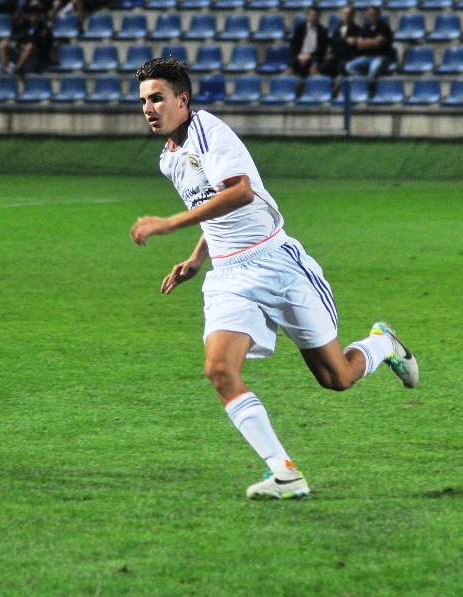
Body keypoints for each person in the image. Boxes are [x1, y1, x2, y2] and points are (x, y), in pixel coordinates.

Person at [129, 58, 419, 500]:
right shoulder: (170, 158)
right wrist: (196, 258)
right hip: (229, 276)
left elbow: (240, 191)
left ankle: (382, 343)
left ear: (182, 100)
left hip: (277, 265)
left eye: (157, 98)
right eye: (143, 101)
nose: (148, 108)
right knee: (219, 369)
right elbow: (213, 207)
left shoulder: (208, 131)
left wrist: (169, 224)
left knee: (337, 377)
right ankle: (284, 472)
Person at [0, 1, 54, 74]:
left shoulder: (44, 29)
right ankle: (6, 69)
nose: (33, 16)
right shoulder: (24, 25)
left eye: (35, 14)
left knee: (29, 46)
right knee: (4, 44)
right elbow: (18, 37)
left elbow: (44, 45)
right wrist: (20, 44)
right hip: (21, 51)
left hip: (36, 56)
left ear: (39, 15)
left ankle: (17, 69)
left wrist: (30, 45)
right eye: (31, 13)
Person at [344, 6, 396, 84]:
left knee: (373, 69)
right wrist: (373, 41)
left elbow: (379, 43)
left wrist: (366, 42)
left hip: (381, 57)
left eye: (373, 14)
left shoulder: (384, 27)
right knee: (349, 66)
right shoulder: (366, 27)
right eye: (369, 14)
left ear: (378, 14)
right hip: (367, 56)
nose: (371, 16)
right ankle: (365, 82)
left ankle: (369, 87)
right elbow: (359, 45)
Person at [321, 6, 361, 79]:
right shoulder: (337, 28)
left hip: (348, 56)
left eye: (349, 14)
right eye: (345, 14)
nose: (347, 16)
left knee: (342, 66)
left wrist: (342, 42)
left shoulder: (357, 29)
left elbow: (351, 45)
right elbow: (333, 41)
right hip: (336, 55)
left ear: (352, 16)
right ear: (342, 15)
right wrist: (345, 41)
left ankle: (338, 84)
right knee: (325, 66)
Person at [289, 8, 328, 78]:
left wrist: (309, 56)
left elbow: (321, 50)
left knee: (314, 67)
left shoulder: (323, 31)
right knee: (290, 67)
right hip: (300, 55)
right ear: (308, 16)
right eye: (311, 15)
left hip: (314, 57)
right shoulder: (300, 28)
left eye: (315, 16)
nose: (313, 18)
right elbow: (294, 44)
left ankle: (313, 84)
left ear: (318, 17)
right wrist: (299, 55)